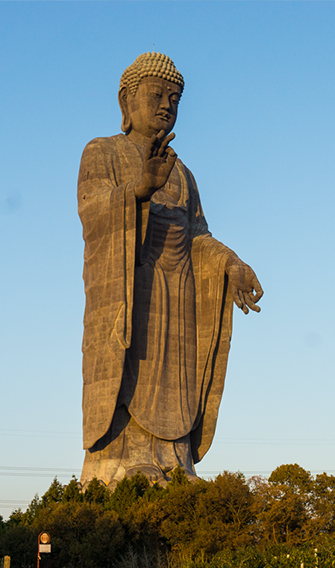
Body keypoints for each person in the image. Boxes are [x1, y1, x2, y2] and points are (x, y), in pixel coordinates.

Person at [77, 52, 262, 487]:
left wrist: (232, 263)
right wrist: (139, 190)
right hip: (130, 287)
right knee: (131, 367)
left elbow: (198, 234)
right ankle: (122, 459)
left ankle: (176, 459)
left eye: (175, 98)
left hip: (177, 296)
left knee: (174, 377)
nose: (166, 105)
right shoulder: (102, 152)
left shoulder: (183, 175)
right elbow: (92, 210)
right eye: (157, 94)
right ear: (126, 102)